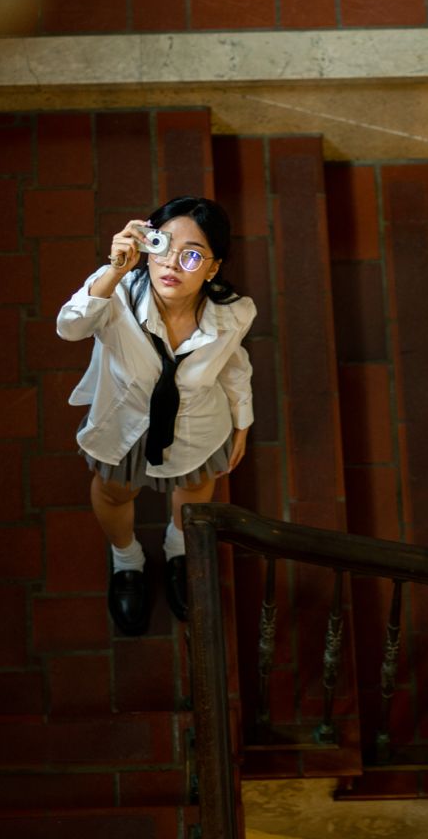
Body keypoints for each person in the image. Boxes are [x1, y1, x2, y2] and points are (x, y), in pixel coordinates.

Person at [56, 196, 256, 636]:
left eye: (191, 255)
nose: (171, 264)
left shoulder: (234, 313)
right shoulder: (119, 293)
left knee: (197, 486)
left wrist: (243, 419)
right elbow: (69, 326)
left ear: (212, 267)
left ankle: (177, 548)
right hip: (125, 428)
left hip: (199, 427)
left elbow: (234, 364)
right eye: (162, 245)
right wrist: (114, 269)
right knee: (114, 493)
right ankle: (127, 559)